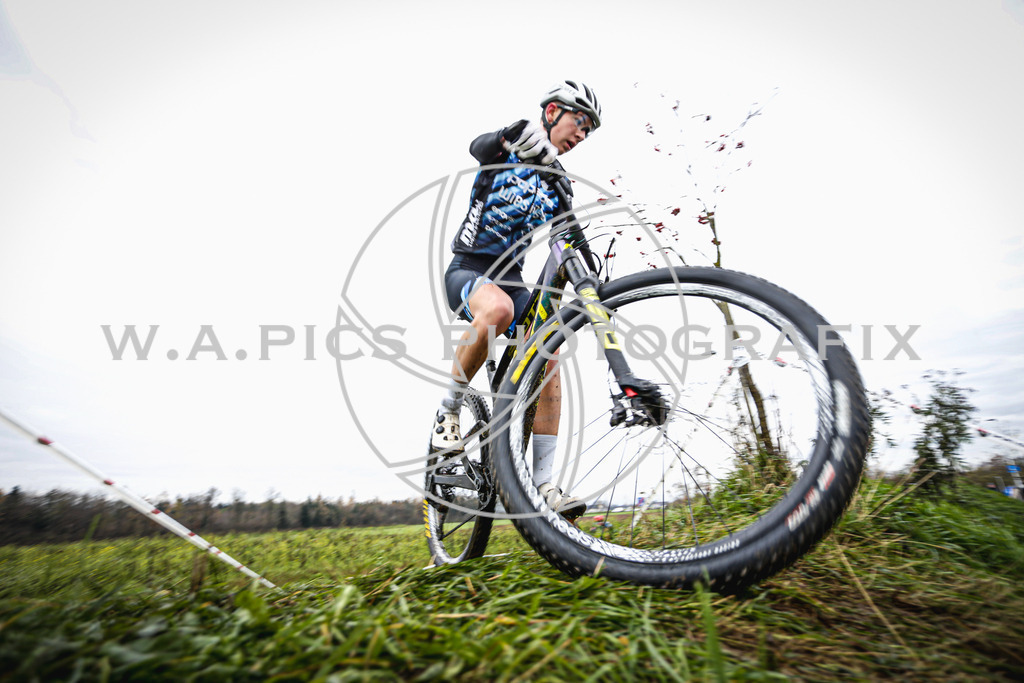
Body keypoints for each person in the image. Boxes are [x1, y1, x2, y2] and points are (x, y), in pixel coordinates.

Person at [430, 80, 602, 518]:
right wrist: (510, 133)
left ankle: (543, 484)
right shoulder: (507, 147)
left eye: (589, 130)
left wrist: (588, 260)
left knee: (551, 347)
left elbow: (567, 230)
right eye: (579, 121)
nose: (581, 135)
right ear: (551, 112)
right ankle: (447, 413)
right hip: (469, 270)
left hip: (513, 281)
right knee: (500, 311)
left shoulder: (556, 181)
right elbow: (478, 146)